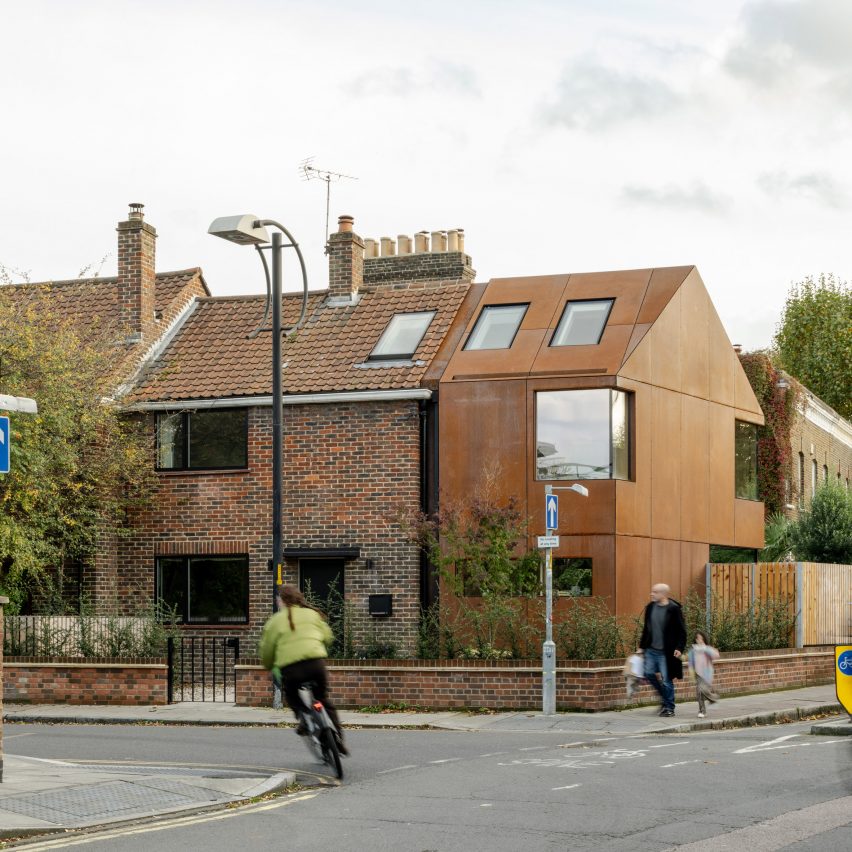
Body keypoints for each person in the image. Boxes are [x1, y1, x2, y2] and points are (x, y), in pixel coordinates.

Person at [259, 585, 348, 755]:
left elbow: (267, 650)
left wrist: (269, 666)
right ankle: (338, 740)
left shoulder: (275, 621)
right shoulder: (312, 614)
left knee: (291, 695)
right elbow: (328, 637)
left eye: (278, 598)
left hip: (292, 669)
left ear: (282, 601)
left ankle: (305, 719)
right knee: (323, 700)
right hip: (316, 665)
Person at [638, 583, 687, 717]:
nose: (651, 594)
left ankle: (669, 708)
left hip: (666, 652)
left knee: (666, 680)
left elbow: (682, 631)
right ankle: (664, 700)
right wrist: (641, 647)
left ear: (663, 594)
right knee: (648, 674)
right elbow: (646, 629)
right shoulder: (650, 607)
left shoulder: (674, 609)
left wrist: (679, 648)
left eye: (655, 592)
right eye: (652, 591)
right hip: (651, 650)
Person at [688, 630, 720, 718]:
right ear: (695, 640)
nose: (700, 640)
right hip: (697, 674)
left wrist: (706, 649)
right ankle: (702, 711)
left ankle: (714, 698)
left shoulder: (707, 648)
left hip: (707, 674)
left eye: (701, 638)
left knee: (703, 690)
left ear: (704, 639)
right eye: (698, 638)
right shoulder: (693, 650)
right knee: (699, 693)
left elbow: (716, 655)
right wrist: (691, 674)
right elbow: (690, 662)